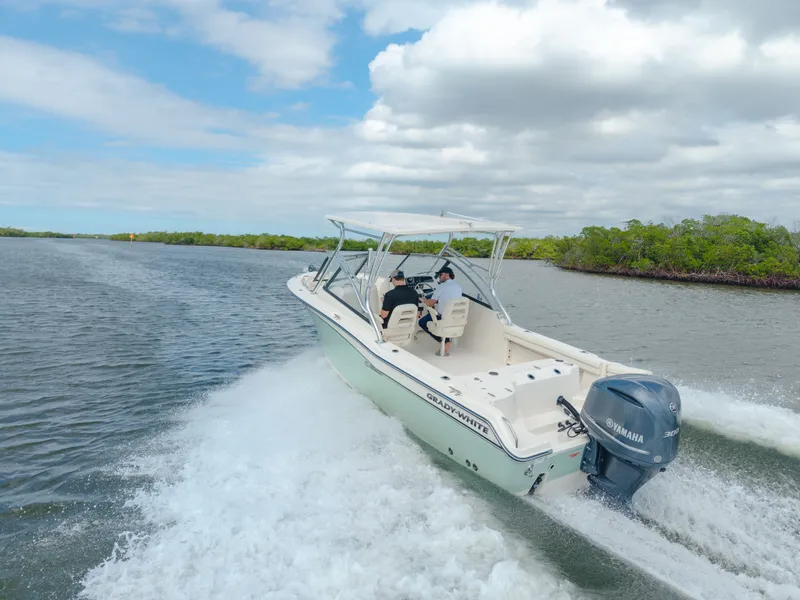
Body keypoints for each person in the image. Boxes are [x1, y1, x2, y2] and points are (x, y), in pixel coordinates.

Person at [419, 266, 463, 356]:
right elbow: (449, 298)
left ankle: (445, 341)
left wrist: (424, 300)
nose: (439, 277)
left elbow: (430, 303)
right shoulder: (458, 287)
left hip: (442, 317)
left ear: (447, 275)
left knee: (422, 322)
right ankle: (446, 340)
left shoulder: (442, 286)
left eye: (440, 275)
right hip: (455, 317)